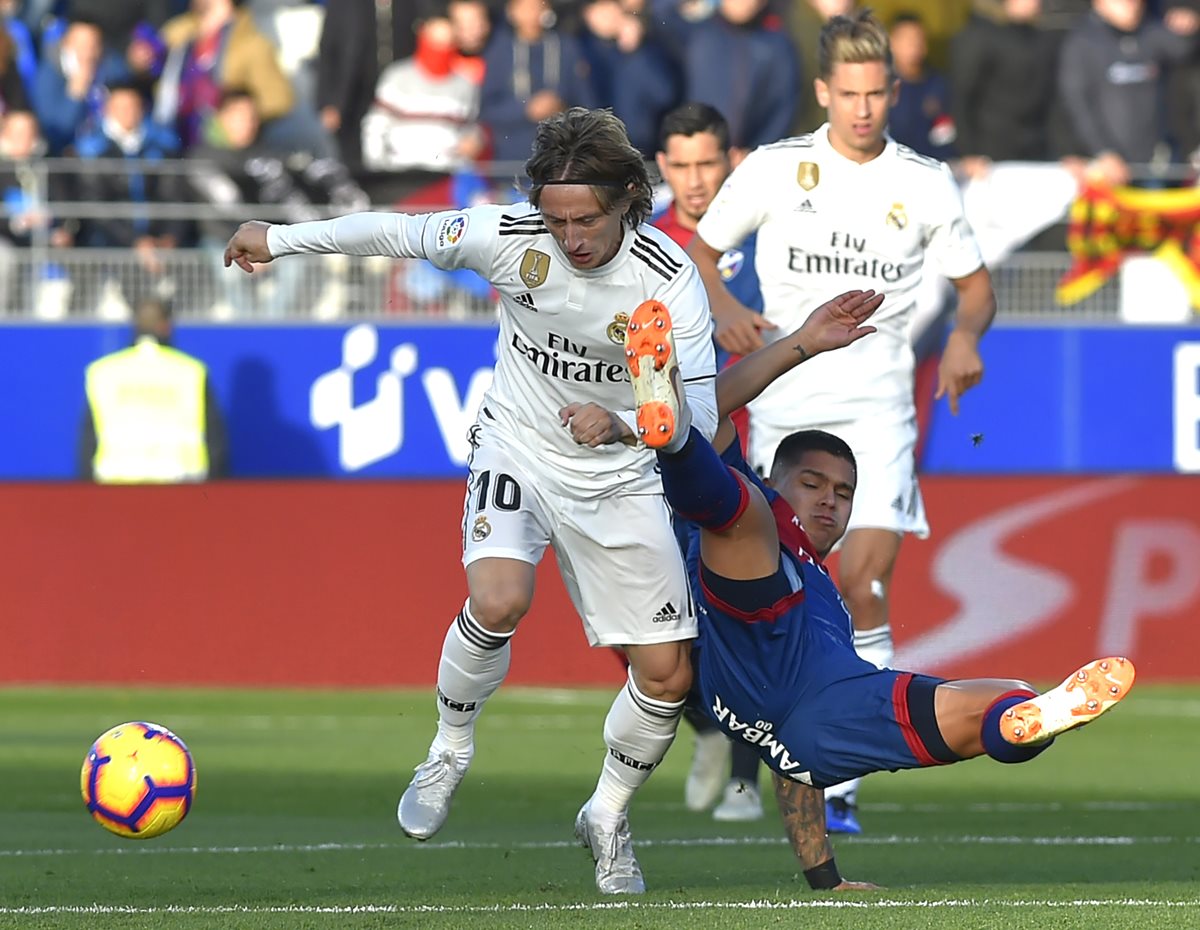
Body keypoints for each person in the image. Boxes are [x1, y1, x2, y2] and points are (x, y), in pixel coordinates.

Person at [222, 107, 719, 895]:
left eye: (587, 218)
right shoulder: (511, 236)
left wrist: (624, 422)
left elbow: (702, 411)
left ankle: (608, 815)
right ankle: (449, 749)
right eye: (556, 220)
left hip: (618, 473)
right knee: (498, 596)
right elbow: (396, 233)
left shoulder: (667, 278)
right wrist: (280, 240)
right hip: (518, 443)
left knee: (666, 675)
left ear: (629, 196)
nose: (570, 237)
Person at [623, 289, 1134, 887]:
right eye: (811, 483)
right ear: (776, 477)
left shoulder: (831, 605)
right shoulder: (765, 510)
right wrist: (804, 344)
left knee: (996, 701)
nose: (827, 501)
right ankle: (673, 438)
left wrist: (824, 877)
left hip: (818, 713)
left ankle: (1029, 720)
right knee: (739, 510)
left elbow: (797, 770)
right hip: (748, 625)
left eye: (842, 494)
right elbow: (721, 404)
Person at [686, 9, 998, 834]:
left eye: (876, 92)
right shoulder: (775, 170)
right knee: (794, 597)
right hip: (785, 404)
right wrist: (723, 308)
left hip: (878, 410)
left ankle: (845, 778)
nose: (863, 108)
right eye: (848, 93)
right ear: (825, 91)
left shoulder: (925, 182)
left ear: (895, 90)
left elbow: (975, 288)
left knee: (861, 582)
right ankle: (751, 739)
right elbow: (700, 252)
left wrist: (965, 338)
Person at [652, 100, 766, 821]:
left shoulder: (767, 230)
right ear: (662, 167)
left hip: (753, 450)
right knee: (644, 618)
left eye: (707, 164)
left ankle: (748, 781)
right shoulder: (644, 242)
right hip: (663, 455)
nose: (696, 181)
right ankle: (706, 730)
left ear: (732, 160)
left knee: (746, 616)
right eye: (681, 165)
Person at [80, 297, 228, 483]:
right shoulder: (191, 371)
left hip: (116, 487)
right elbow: (215, 440)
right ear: (167, 327)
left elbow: (87, 442)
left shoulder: (103, 372)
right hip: (182, 488)